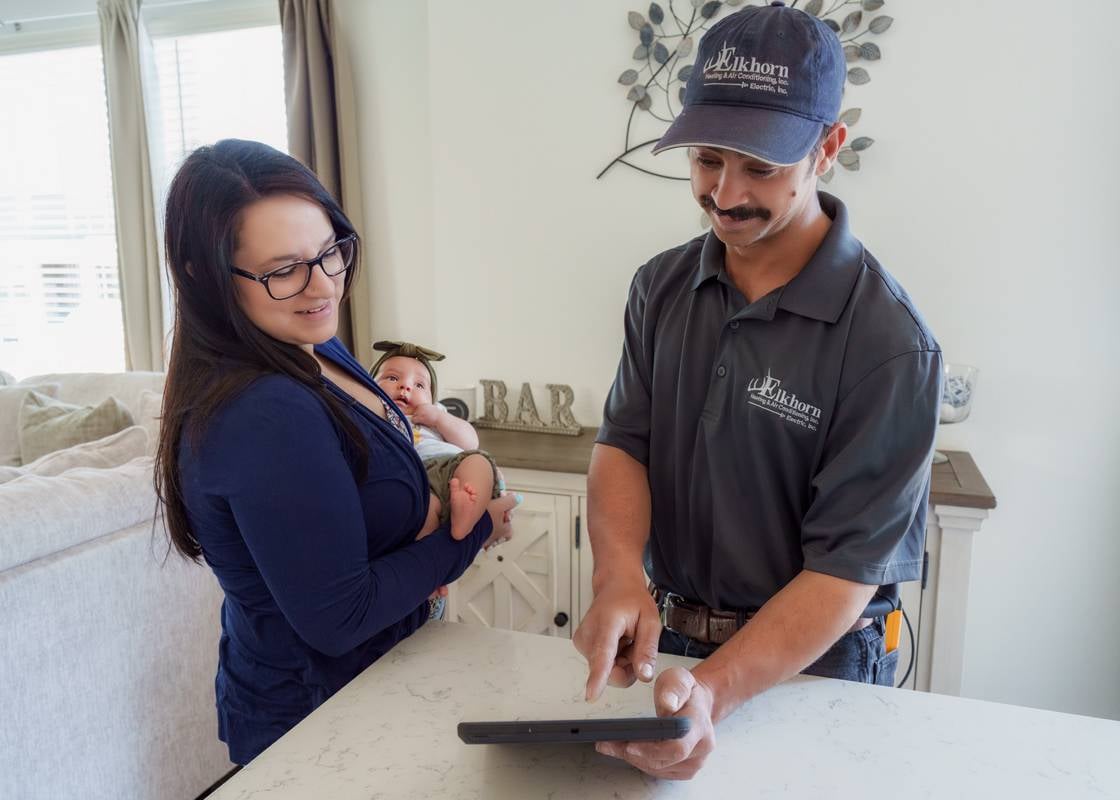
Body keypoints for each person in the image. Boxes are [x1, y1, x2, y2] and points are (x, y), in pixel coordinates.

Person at [573, 2, 942, 780]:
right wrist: (619, 575)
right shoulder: (661, 286)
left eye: (761, 167)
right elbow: (624, 444)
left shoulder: (889, 344)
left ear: (828, 148)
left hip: (816, 666)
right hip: (670, 644)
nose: (725, 193)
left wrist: (714, 690)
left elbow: (845, 571)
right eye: (708, 159)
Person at [153, 138, 517, 766]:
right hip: (316, 721)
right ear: (205, 277)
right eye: (282, 270)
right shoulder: (263, 411)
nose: (322, 286)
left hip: (375, 689)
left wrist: (469, 474)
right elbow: (340, 616)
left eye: (330, 252)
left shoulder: (315, 347)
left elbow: (401, 466)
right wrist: (472, 531)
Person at [370, 340, 502, 540]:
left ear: (432, 398)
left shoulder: (436, 414)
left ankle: (465, 513)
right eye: (392, 377)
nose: (405, 386)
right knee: (427, 509)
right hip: (417, 476)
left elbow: (470, 442)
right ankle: (432, 540)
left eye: (419, 385)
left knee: (478, 462)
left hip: (451, 465)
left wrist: (440, 419)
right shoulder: (373, 413)